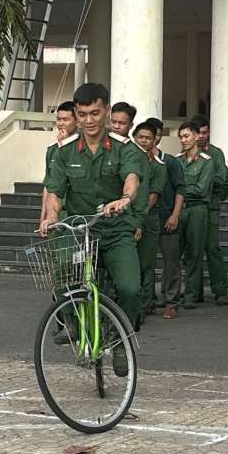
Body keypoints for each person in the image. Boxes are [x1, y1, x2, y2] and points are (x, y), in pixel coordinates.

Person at [41, 83, 144, 375]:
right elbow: (55, 191)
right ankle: (73, 323)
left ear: (106, 112)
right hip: (79, 230)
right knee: (61, 270)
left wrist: (124, 199)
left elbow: (132, 178)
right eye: (83, 114)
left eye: (95, 113)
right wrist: (51, 216)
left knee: (130, 288)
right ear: (76, 114)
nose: (89, 120)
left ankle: (121, 342)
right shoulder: (64, 151)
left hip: (115, 230)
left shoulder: (124, 148)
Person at [144, 119, 185, 319]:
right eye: (143, 136)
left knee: (171, 263)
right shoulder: (135, 161)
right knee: (146, 263)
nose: (149, 140)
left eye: (156, 135)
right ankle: (148, 301)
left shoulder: (170, 162)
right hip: (146, 220)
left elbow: (180, 189)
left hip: (167, 218)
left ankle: (171, 302)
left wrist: (175, 215)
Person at [191, 114, 228, 306]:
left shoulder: (215, 153)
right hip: (193, 206)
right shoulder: (187, 152)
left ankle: (220, 290)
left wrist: (216, 197)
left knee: (212, 248)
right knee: (193, 249)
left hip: (210, 206)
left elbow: (223, 179)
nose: (202, 136)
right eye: (199, 133)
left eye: (205, 132)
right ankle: (194, 291)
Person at [174, 121, 214, 312]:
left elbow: (201, 189)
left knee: (195, 253)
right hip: (179, 210)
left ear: (197, 136)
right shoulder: (177, 161)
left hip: (197, 210)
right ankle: (173, 294)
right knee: (175, 253)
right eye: (181, 137)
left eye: (187, 136)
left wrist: (180, 191)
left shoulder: (206, 161)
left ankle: (190, 295)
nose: (183, 140)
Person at [132, 120, 165, 316]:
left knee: (146, 264)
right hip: (127, 217)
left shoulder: (158, 166)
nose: (144, 141)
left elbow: (153, 196)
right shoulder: (129, 161)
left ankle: (144, 306)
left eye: (148, 138)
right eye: (141, 137)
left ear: (155, 141)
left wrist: (139, 218)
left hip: (148, 218)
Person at [41, 101, 77, 227]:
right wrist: (43, 218)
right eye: (58, 119)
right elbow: (48, 187)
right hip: (56, 215)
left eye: (65, 119)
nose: (61, 123)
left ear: (77, 121)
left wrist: (66, 145)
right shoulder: (52, 150)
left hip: (76, 214)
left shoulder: (83, 148)